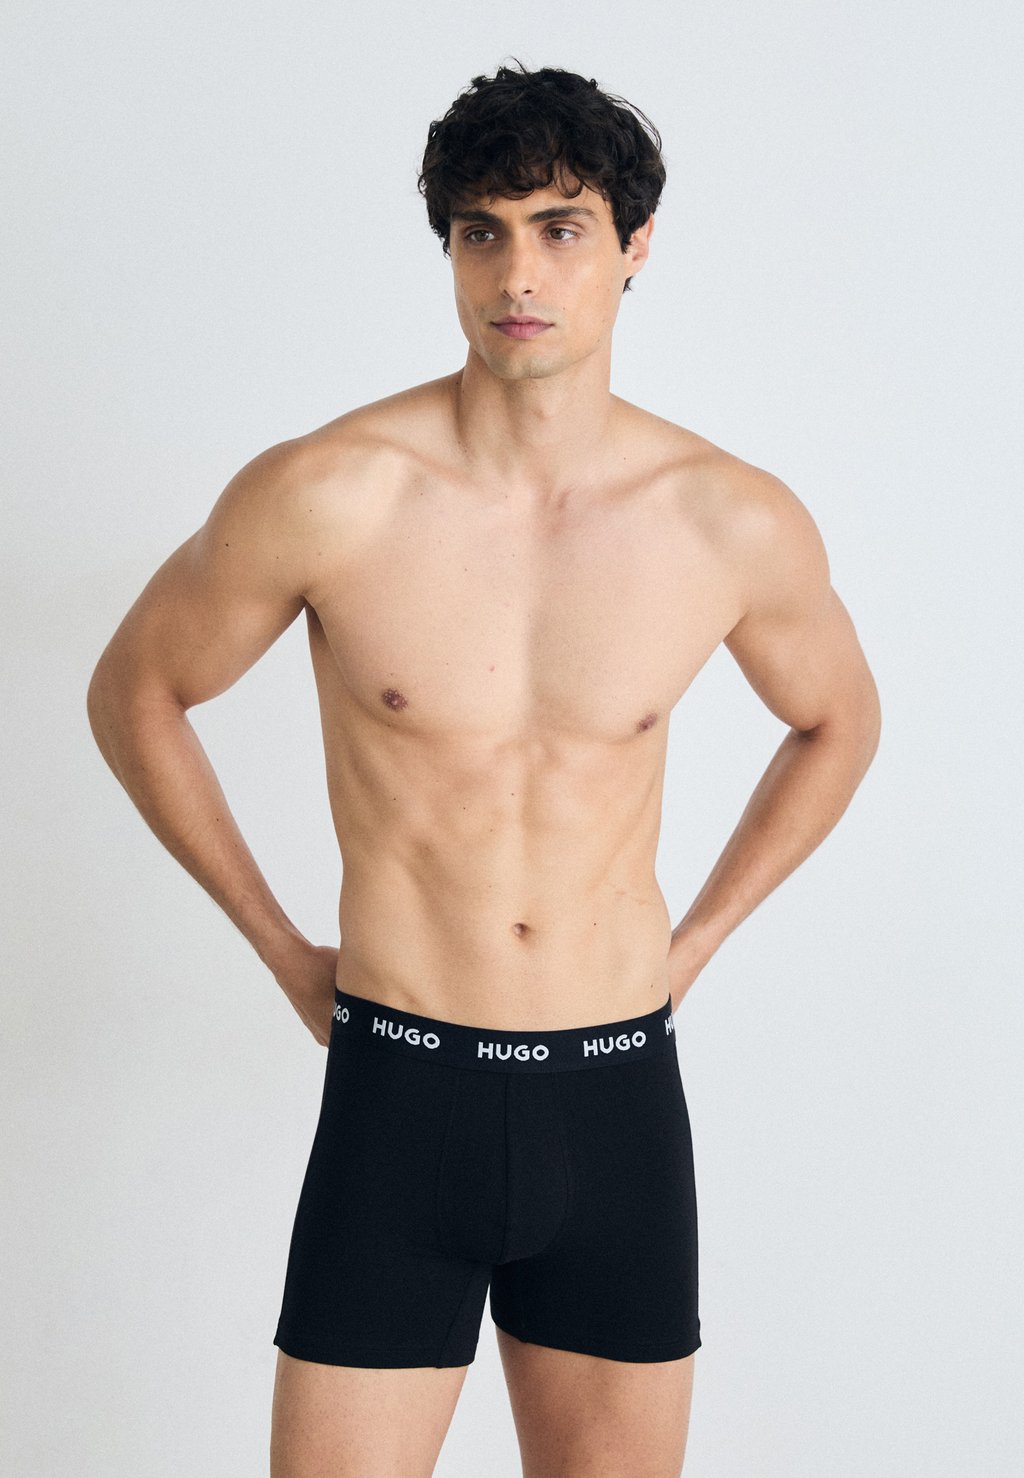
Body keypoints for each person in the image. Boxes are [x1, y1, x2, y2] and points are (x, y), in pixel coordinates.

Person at [86, 58, 881, 1478]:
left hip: (616, 1098)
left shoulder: (726, 519)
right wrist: (282, 949)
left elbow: (839, 721)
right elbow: (136, 691)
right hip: (401, 1092)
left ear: (635, 246)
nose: (517, 272)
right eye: (482, 231)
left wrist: (694, 944)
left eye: (561, 228)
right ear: (449, 246)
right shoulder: (328, 491)